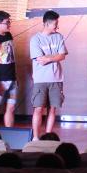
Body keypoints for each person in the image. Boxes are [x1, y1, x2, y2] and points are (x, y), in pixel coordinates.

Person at [29, 10, 68, 139]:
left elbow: (62, 56)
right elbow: (40, 59)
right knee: (38, 108)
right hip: (40, 79)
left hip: (56, 79)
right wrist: (55, 56)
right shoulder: (35, 39)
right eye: (55, 24)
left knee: (52, 108)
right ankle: (35, 137)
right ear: (47, 24)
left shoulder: (59, 36)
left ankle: (47, 136)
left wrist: (49, 58)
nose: (57, 27)